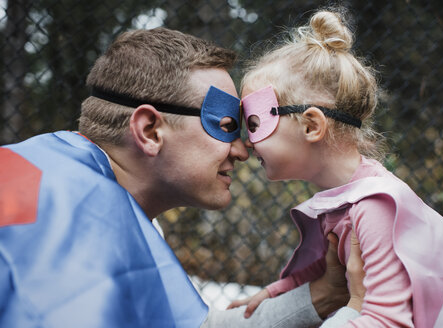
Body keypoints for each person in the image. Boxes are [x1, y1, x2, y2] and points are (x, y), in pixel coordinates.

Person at [0, 26, 357, 328]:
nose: (242, 150)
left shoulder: (79, 184)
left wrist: (323, 295)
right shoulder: (83, 214)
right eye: (226, 126)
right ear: (150, 130)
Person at [230, 8, 443, 327]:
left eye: (255, 125)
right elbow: (326, 269)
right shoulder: (346, 198)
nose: (246, 143)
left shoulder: (374, 207)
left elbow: (387, 320)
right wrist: (273, 293)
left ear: (312, 125)